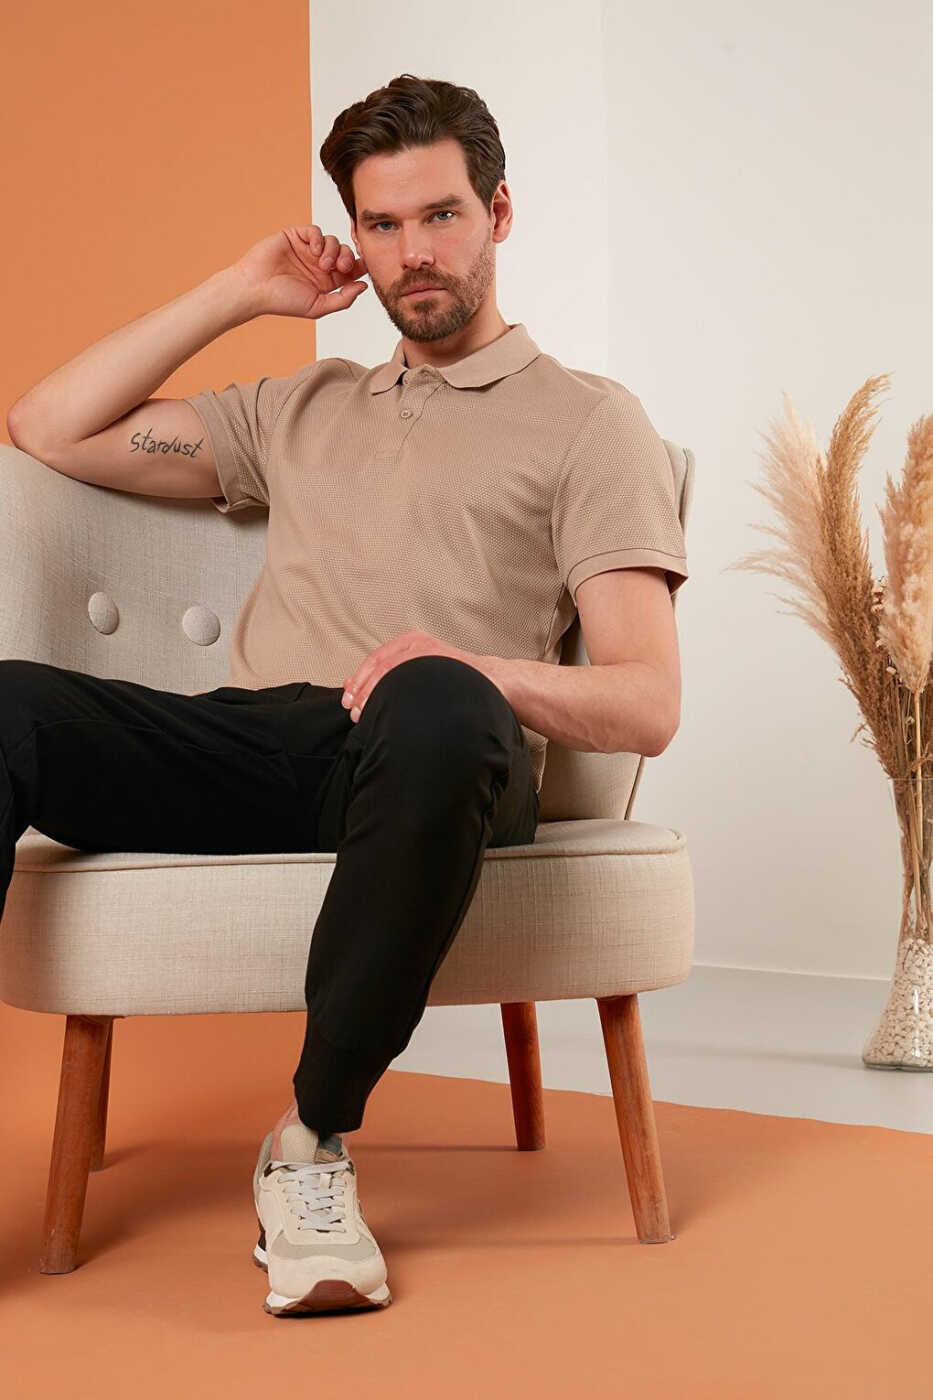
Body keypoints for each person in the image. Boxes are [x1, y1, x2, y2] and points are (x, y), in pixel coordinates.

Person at [4, 74, 688, 1316]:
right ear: (355, 237)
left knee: (434, 697)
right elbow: (45, 425)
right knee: (5, 704)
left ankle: (309, 1142)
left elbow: (647, 701)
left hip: (442, 751)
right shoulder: (300, 407)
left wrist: (470, 667)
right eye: (382, 224)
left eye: (440, 215)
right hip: (262, 742)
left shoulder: (592, 423)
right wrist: (238, 292)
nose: (412, 252)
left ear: (499, 214)